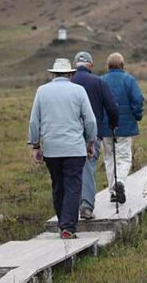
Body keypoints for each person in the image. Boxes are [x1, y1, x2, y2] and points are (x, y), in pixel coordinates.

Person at [28, 58, 97, 239]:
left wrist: (35, 145)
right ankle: (68, 227)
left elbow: (35, 121)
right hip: (74, 148)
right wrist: (90, 143)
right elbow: (90, 120)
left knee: (58, 186)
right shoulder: (78, 90)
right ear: (70, 74)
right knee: (73, 186)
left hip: (51, 148)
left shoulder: (42, 91)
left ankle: (63, 223)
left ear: (53, 74)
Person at [71, 51, 119, 220]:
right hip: (92, 134)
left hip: (69, 134)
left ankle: (68, 209)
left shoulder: (69, 81)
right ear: (90, 65)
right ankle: (86, 206)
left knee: (70, 170)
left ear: (75, 64)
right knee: (88, 167)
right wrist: (113, 124)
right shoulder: (98, 82)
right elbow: (112, 108)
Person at [99, 52, 145, 204]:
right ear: (122, 65)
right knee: (124, 157)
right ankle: (120, 183)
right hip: (125, 127)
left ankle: (113, 192)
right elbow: (137, 99)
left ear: (108, 65)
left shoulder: (101, 81)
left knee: (109, 158)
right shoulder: (129, 80)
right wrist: (137, 115)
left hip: (105, 127)